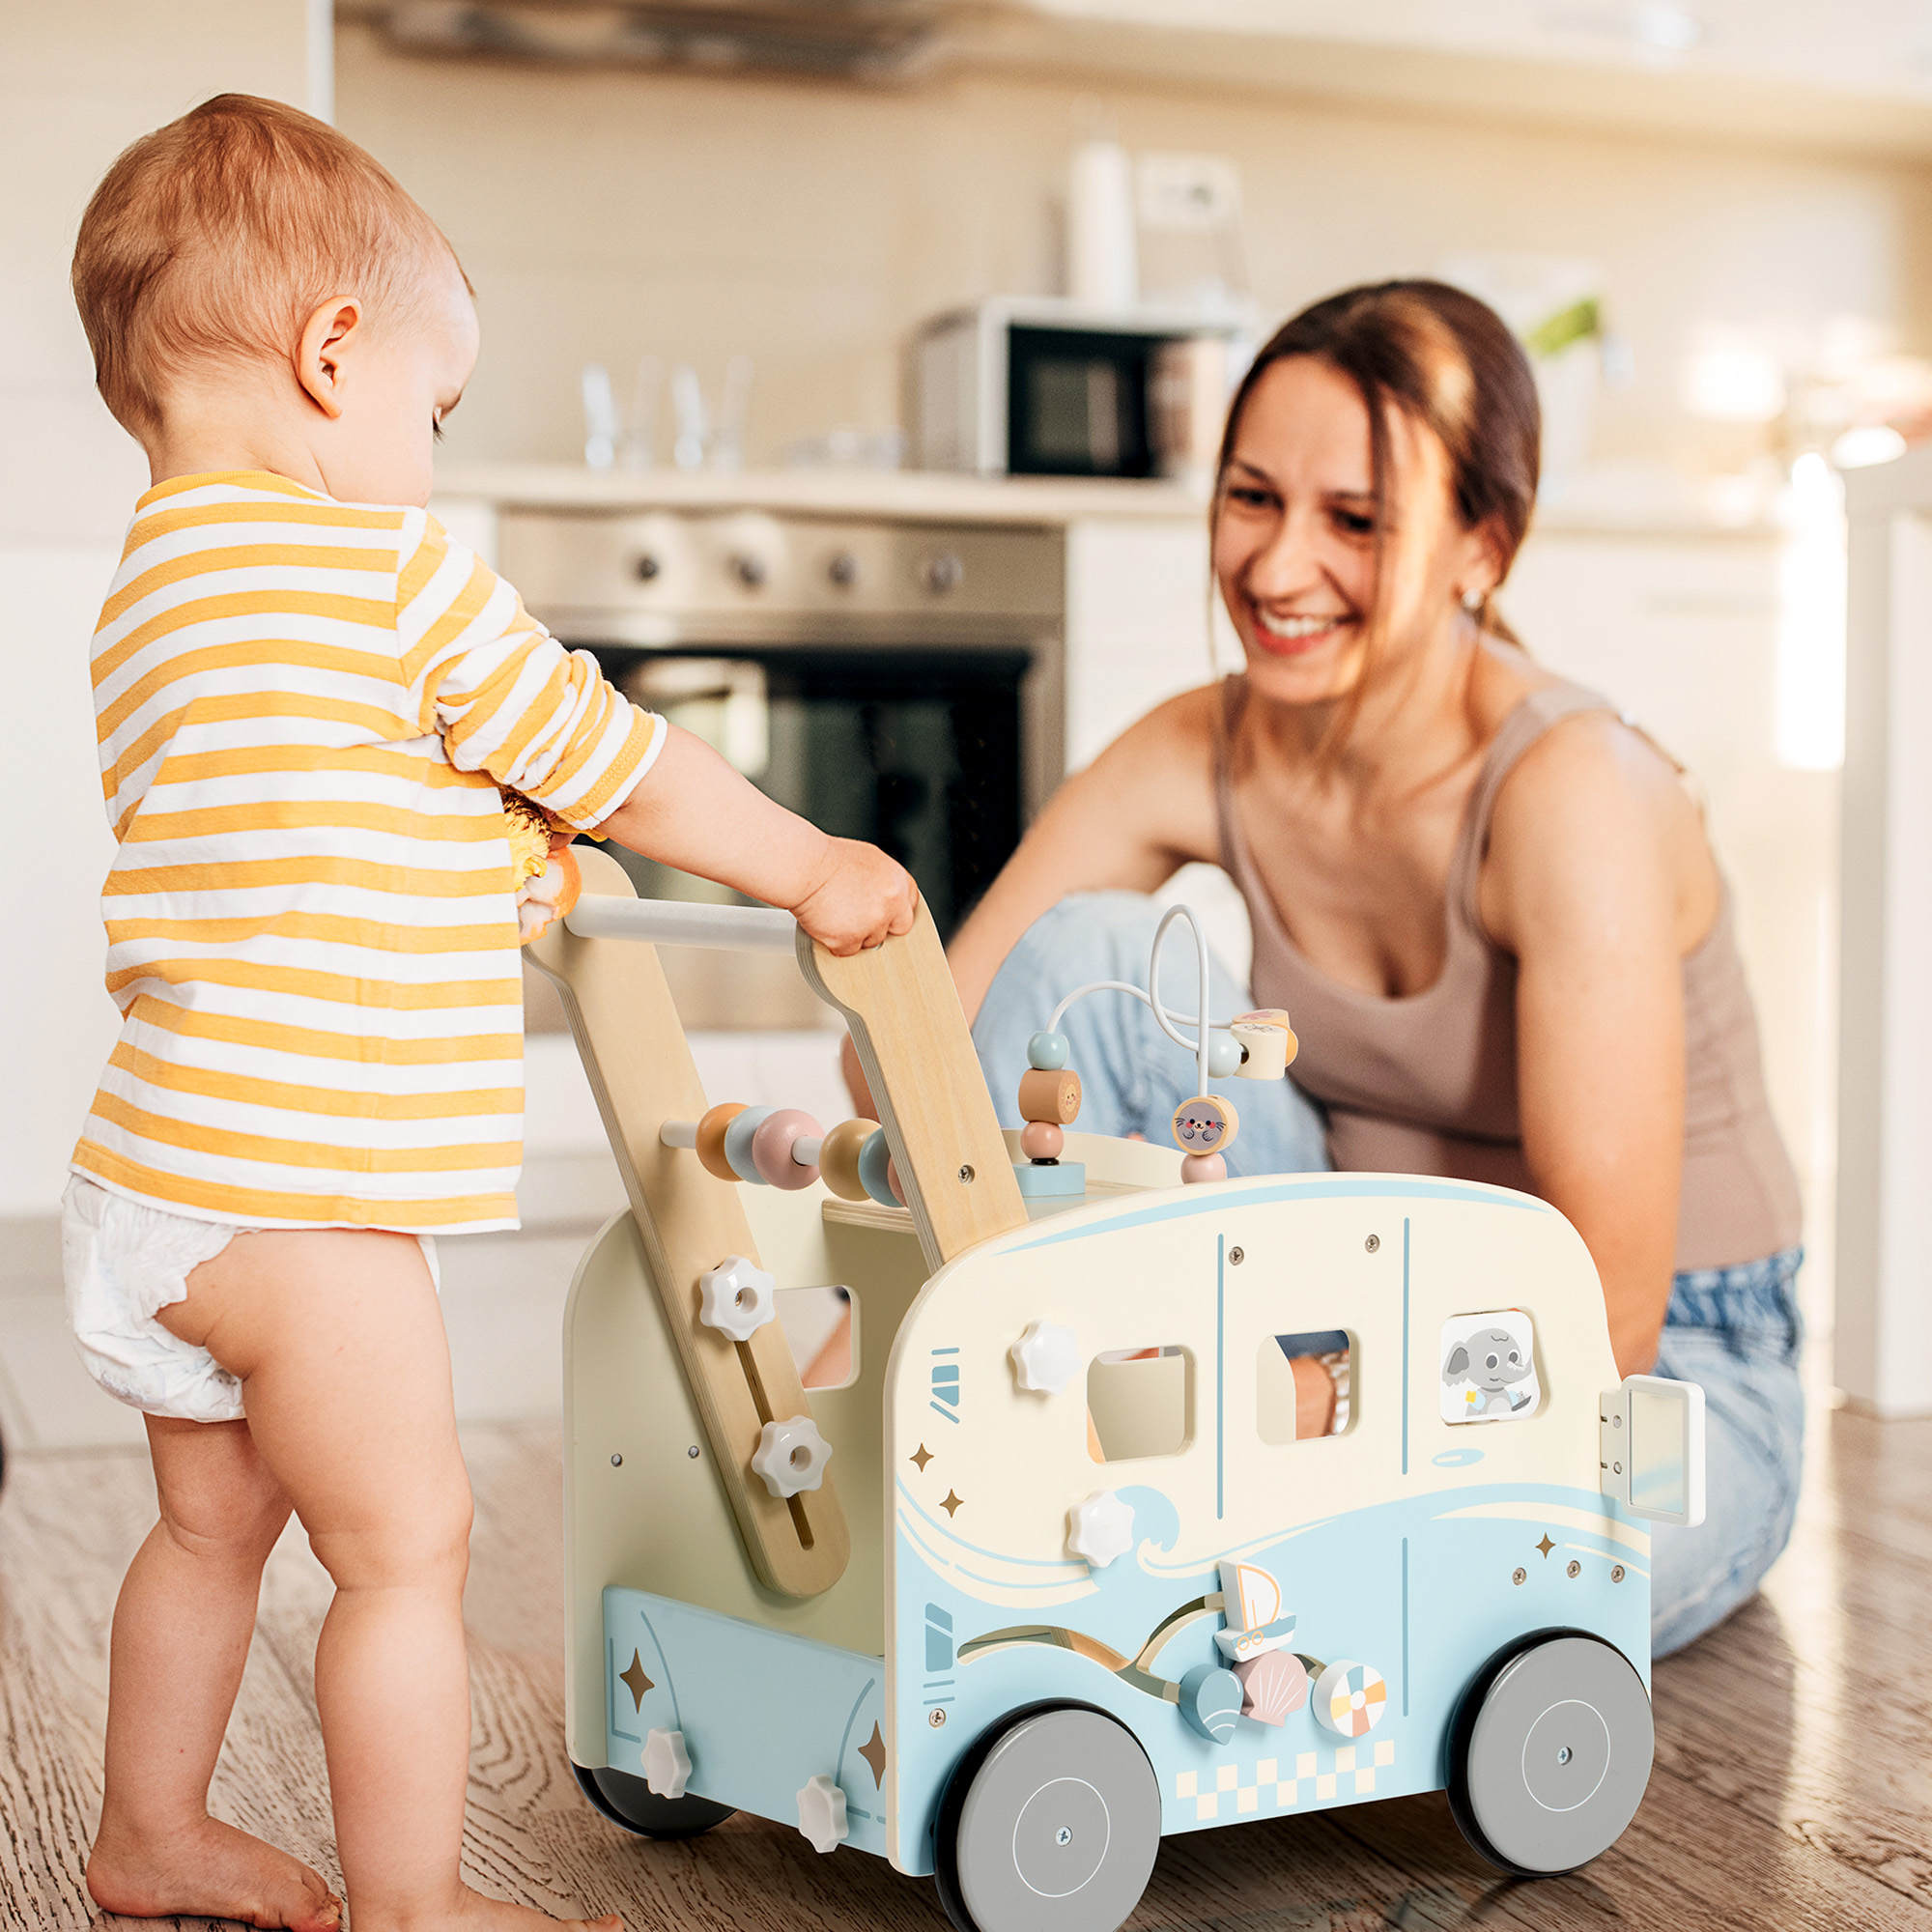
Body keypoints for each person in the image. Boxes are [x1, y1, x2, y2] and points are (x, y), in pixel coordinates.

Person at [64, 96, 915, 1932]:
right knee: (407, 1553)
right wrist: (810, 867)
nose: (432, 466)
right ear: (333, 352)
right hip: (308, 1197)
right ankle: (414, 1901)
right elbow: (627, 766)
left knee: (209, 1532)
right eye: (433, 417)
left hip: (158, 1181)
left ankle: (147, 1833)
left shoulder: (149, 592)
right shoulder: (392, 578)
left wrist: (474, 851)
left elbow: (295, 838)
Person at [952, 280, 1804, 1659]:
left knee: (1411, 1607)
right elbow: (935, 1042)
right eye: (1251, 499)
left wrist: (1268, 1425)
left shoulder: (1570, 789)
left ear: (1483, 547)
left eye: (1356, 521)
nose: (1281, 571)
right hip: (1348, 1285)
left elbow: (1608, 1322)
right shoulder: (1202, 745)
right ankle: (979, 1441)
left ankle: (1221, 1526)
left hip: (1657, 1368)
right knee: (1087, 953)